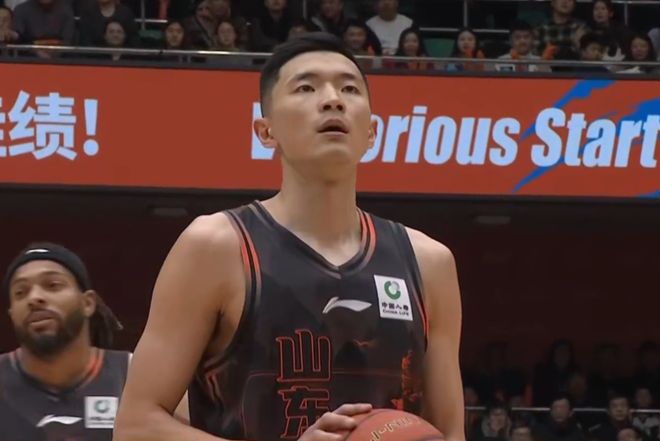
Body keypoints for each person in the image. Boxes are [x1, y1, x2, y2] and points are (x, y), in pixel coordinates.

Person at [114, 32, 465, 441]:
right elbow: (135, 426)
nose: (333, 100)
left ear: (372, 133)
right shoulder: (215, 247)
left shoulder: (429, 262)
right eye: (306, 88)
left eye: (349, 89)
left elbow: (449, 432)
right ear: (266, 132)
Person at [0, 243, 128, 440]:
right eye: (20, 292)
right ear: (12, 314)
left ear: (87, 303)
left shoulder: (134, 374)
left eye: (52, 285)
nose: (34, 298)